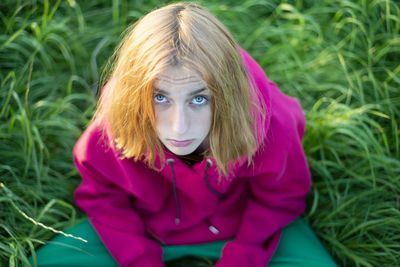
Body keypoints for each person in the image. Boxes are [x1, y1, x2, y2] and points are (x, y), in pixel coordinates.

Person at [28, 2, 337, 267]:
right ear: (136, 94)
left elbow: (280, 197)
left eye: (199, 99)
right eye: (160, 97)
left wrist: (243, 256)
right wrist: (139, 259)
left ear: (226, 93)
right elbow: (104, 196)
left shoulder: (270, 121)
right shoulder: (116, 120)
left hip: (245, 225)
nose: (179, 128)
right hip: (144, 227)